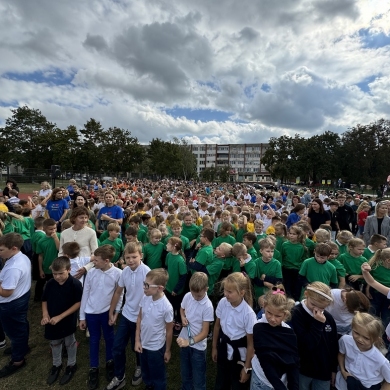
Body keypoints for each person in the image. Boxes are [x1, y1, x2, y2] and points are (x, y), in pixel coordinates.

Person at [106, 242, 151, 390]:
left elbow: (152, 297)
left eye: (134, 257)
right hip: (126, 314)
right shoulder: (124, 272)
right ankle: (120, 376)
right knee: (117, 347)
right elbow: (118, 292)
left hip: (141, 317)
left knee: (137, 346)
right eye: (128, 257)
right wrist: (112, 311)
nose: (131, 260)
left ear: (141, 256)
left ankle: (140, 367)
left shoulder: (147, 272)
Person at [79, 245, 123, 390]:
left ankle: (110, 362)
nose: (93, 262)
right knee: (94, 340)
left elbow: (120, 294)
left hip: (106, 313)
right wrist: (82, 317)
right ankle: (94, 367)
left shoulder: (118, 273)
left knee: (110, 338)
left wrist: (116, 312)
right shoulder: (91, 272)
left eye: (96, 260)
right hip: (91, 313)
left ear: (106, 260)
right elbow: (85, 293)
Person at [41, 256, 83, 385]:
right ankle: (56, 364)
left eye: (61, 273)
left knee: (69, 341)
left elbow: (78, 303)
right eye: (55, 274)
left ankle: (71, 364)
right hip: (52, 319)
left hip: (67, 319)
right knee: (54, 341)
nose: (57, 277)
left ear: (69, 270)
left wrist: (60, 317)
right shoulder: (50, 283)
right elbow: (44, 300)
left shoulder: (75, 284)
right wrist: (45, 314)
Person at [212, 272, 256, 390]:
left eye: (230, 292)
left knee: (238, 384)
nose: (226, 294)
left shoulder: (248, 314)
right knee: (221, 382)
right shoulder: (223, 303)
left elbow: (251, 344)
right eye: (225, 290)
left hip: (240, 354)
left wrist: (247, 367)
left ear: (242, 293)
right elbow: (217, 326)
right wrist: (214, 348)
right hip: (224, 347)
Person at [290, 282, 338, 390]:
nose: (316, 310)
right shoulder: (296, 313)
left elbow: (333, 345)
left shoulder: (328, 318)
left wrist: (333, 369)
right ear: (306, 294)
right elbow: (306, 344)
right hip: (303, 369)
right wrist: (318, 324)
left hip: (323, 371)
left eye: (322, 308)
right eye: (313, 305)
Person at [251, 285, 299, 390]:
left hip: (282, 380)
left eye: (278, 316)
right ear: (264, 306)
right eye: (269, 313)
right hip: (261, 380)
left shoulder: (289, 333)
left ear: (285, 315)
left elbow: (293, 362)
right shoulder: (259, 328)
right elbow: (265, 361)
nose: (272, 319)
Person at [134, 268, 174, 390]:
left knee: (158, 375)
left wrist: (167, 350)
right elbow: (139, 318)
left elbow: (169, 331)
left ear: (160, 288)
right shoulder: (146, 297)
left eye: (147, 285)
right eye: (144, 284)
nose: (144, 288)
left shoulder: (166, 307)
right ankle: (149, 385)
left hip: (156, 348)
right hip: (143, 344)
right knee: (145, 370)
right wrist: (137, 340)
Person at [176, 272, 214, 390]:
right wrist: (183, 317)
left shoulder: (207, 306)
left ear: (206, 289)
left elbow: (205, 332)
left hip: (198, 348)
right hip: (185, 342)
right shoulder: (188, 296)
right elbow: (182, 309)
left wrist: (189, 342)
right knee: (185, 374)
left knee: (198, 379)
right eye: (193, 294)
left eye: (198, 295)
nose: (195, 297)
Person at [0, 233, 31, 378]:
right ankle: (22, 347)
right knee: (21, 325)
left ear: (13, 248)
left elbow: (6, 292)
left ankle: (18, 360)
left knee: (14, 331)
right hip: (21, 297)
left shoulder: (13, 267)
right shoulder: (21, 256)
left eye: (1, 250)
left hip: (11, 304)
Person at [336, 312, 390, 390]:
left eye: (366, 338)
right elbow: (341, 354)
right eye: (356, 333)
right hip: (343, 384)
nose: (360, 339)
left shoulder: (381, 360)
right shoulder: (345, 340)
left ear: (375, 339)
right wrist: (342, 370)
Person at [165, 236, 187, 337]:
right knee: (170, 307)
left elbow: (183, 277)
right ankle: (171, 321)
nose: (166, 245)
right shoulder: (169, 255)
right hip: (168, 288)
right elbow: (167, 268)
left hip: (176, 291)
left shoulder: (180, 260)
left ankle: (178, 322)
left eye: (168, 244)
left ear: (174, 247)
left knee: (177, 307)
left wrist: (176, 289)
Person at [34, 218, 60, 301]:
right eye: (50, 229)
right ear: (44, 229)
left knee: (56, 283)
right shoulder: (41, 241)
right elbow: (40, 256)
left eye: (55, 228)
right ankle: (38, 297)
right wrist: (40, 269)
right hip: (46, 266)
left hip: (57, 266)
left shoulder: (60, 236)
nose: (53, 231)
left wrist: (56, 238)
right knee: (41, 282)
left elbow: (60, 249)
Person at [281, 226, 308, 301]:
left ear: (298, 235)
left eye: (294, 234)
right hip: (286, 269)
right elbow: (282, 256)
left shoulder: (302, 247)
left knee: (296, 288)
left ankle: (296, 303)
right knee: (287, 287)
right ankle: (288, 302)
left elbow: (304, 259)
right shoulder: (285, 244)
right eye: (290, 233)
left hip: (297, 270)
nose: (291, 235)